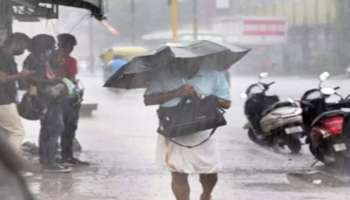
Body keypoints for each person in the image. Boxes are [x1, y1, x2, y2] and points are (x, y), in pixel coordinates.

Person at [143, 64, 231, 200]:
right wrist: (177, 92)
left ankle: (206, 194)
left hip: (203, 129)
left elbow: (226, 103)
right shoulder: (163, 74)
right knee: (178, 171)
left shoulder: (214, 74)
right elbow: (148, 99)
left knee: (209, 170)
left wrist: (201, 95)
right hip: (174, 129)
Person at [23, 34, 71, 173]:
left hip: (50, 97)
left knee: (48, 129)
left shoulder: (42, 58)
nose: (54, 48)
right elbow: (29, 77)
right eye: (51, 45)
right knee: (54, 127)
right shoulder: (33, 59)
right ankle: (50, 162)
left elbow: (49, 72)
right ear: (43, 45)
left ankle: (46, 159)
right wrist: (49, 82)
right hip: (44, 98)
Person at [53, 33, 88, 165]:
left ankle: (52, 157)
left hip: (52, 98)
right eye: (72, 46)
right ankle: (67, 156)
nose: (72, 48)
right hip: (68, 99)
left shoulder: (50, 59)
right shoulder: (70, 60)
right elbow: (72, 80)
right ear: (68, 45)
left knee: (55, 128)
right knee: (69, 128)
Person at [0, 32, 32, 154]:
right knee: (17, 132)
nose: (24, 50)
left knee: (5, 134)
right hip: (3, 100)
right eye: (24, 46)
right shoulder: (3, 56)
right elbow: (2, 78)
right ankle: (11, 167)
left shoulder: (8, 56)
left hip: (5, 99)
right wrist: (21, 75)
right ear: (16, 42)